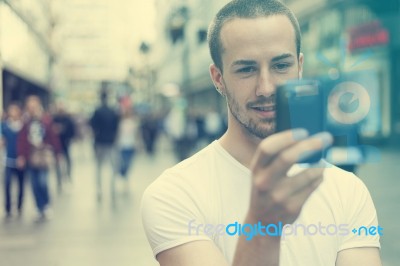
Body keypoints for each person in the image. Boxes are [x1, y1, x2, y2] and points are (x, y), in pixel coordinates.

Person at [141, 0, 382, 265]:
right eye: (246, 69)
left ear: (299, 67)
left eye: (281, 66)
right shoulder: (174, 194)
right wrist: (263, 222)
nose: (266, 88)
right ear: (218, 78)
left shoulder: (348, 191)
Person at [17, 96, 62, 221]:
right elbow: (21, 140)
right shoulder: (25, 121)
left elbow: (53, 136)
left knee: (43, 182)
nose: (32, 109)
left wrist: (58, 153)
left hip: (43, 155)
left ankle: (46, 205)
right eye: (30, 107)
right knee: (34, 184)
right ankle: (39, 206)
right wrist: (21, 156)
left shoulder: (45, 120)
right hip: (30, 155)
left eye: (34, 106)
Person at [89, 90, 119, 201]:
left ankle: (99, 189)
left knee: (98, 167)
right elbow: (116, 126)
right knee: (113, 167)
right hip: (111, 142)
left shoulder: (97, 111)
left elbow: (92, 125)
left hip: (99, 142)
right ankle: (113, 188)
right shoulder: (112, 111)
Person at [1, 103, 25, 218]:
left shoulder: (23, 126)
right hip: (8, 160)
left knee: (21, 184)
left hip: (20, 160)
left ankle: (20, 206)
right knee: (7, 184)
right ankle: (8, 207)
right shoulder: (5, 126)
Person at [52, 103, 76, 191]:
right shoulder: (54, 119)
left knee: (68, 160)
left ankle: (68, 176)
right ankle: (59, 180)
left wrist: (68, 137)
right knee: (58, 162)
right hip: (57, 144)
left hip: (66, 143)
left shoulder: (68, 119)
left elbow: (72, 130)